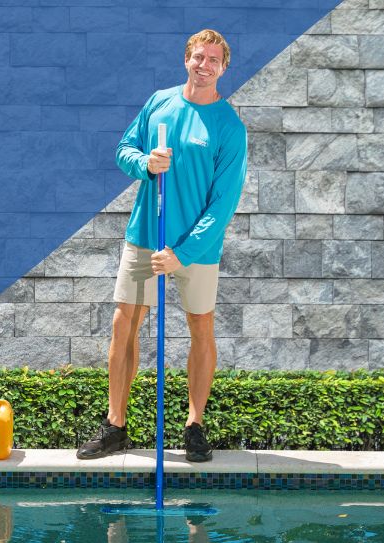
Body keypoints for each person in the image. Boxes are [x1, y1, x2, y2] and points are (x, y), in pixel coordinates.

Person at [78, 29, 248, 463]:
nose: (204, 65)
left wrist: (182, 253)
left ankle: (195, 425)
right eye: (198, 57)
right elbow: (124, 150)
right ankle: (116, 425)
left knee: (201, 328)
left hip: (197, 248)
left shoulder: (229, 127)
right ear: (186, 59)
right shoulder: (160, 103)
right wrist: (146, 163)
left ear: (223, 68)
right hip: (146, 236)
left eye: (213, 60)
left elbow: (223, 203)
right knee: (124, 324)